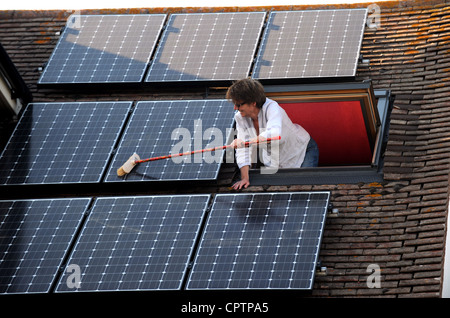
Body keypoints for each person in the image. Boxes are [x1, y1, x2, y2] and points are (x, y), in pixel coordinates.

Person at [227, 78, 319, 190]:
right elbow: (243, 150)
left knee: (301, 190)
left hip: (302, 152)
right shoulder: (240, 117)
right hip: (276, 161)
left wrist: (246, 142)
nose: (235, 108)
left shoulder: (272, 107)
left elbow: (275, 135)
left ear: (253, 102)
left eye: (239, 104)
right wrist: (245, 178)